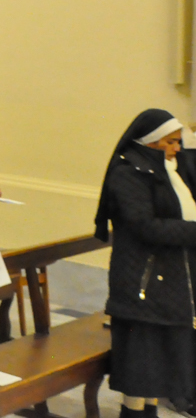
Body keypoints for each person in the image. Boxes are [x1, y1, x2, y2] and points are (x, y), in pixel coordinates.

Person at [95, 109, 196, 417]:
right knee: (142, 369)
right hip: (142, 284)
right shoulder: (128, 172)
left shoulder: (170, 168)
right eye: (170, 142)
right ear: (151, 141)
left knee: (159, 369)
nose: (177, 148)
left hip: (169, 283)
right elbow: (144, 225)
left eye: (179, 141)